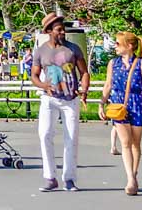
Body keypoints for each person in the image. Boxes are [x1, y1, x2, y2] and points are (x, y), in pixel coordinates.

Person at [31, 13, 90, 192]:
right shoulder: (41, 50)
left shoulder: (73, 48)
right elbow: (34, 75)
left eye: (63, 29)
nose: (62, 32)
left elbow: (84, 72)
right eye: (58, 30)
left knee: (71, 138)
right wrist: (43, 85)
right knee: (45, 135)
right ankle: (50, 177)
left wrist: (84, 89)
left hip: (70, 99)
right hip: (49, 98)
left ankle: (69, 178)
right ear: (49, 31)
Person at [99, 31, 142, 196]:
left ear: (129, 46)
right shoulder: (113, 63)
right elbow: (108, 84)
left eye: (117, 43)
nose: (115, 46)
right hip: (118, 105)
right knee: (125, 142)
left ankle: (134, 173)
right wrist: (101, 104)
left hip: (137, 103)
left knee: (135, 143)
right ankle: (130, 178)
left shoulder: (141, 63)